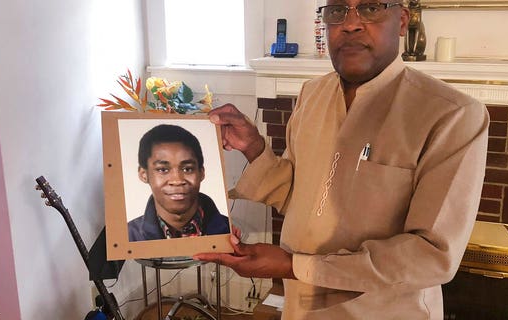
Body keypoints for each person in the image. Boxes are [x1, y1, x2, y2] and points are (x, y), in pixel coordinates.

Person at [194, 1, 489, 318]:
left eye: (371, 8)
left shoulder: (450, 114)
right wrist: (252, 146)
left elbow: (431, 256)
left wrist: (295, 266)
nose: (350, 24)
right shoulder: (312, 94)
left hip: (381, 311)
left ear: (402, 21)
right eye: (337, 11)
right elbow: (298, 197)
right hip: (299, 306)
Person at [128, 124, 229, 242]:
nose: (177, 180)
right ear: (143, 174)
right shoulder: (128, 236)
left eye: (187, 169)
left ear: (201, 173)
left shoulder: (230, 230)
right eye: (163, 170)